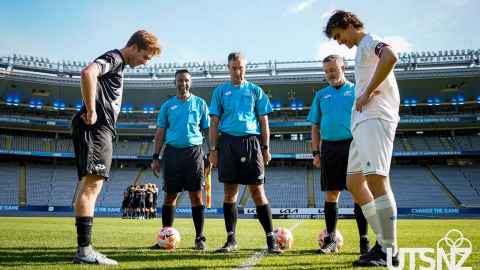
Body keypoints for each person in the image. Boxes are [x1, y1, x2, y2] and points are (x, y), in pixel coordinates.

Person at [71, 30, 161, 265]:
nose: (144, 63)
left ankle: (85, 249)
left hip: (101, 129)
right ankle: (84, 251)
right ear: (135, 47)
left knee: (90, 185)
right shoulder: (115, 58)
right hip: (96, 127)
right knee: (91, 185)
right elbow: (87, 73)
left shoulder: (118, 64)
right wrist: (91, 110)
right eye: (145, 57)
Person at [324, 10, 400, 267]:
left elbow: (391, 56)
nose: (338, 41)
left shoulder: (369, 42)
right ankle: (382, 242)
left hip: (376, 119)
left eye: (338, 35)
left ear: (346, 25)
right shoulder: (361, 50)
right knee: (355, 183)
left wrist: (367, 92)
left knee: (377, 179)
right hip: (361, 123)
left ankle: (390, 251)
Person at [209, 52, 281, 254]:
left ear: (245, 68)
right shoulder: (220, 91)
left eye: (240, 67)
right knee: (229, 193)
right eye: (233, 67)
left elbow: (264, 123)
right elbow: (214, 122)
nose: (237, 71)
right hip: (228, 143)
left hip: (251, 142)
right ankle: (231, 240)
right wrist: (213, 150)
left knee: (258, 192)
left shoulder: (255, 91)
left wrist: (266, 148)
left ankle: (271, 241)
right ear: (228, 68)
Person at [307, 54, 370, 255]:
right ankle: (331, 241)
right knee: (331, 194)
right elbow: (315, 126)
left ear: (344, 67)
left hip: (354, 146)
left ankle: (364, 241)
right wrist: (316, 152)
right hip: (330, 149)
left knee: (358, 194)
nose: (329, 74)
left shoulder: (355, 90)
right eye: (326, 71)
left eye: (333, 70)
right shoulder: (320, 95)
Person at [151, 69, 210, 250]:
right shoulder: (168, 106)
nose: (182, 83)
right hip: (172, 154)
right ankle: (165, 238)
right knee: (170, 197)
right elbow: (160, 132)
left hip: (194, 154)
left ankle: (199, 239)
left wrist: (211, 154)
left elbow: (207, 130)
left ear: (190, 83)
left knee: (196, 196)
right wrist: (156, 156)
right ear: (175, 83)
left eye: (186, 80)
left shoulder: (200, 103)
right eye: (179, 80)